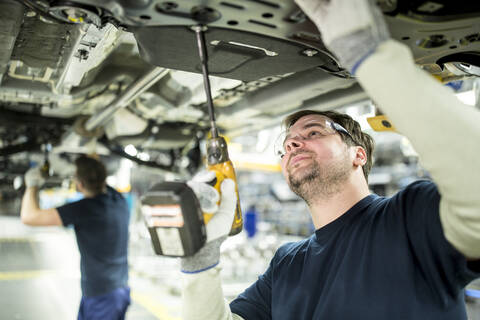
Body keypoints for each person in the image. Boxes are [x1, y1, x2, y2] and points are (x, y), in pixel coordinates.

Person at [180, 0, 480, 319]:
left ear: (358, 154)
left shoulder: (410, 218)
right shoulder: (286, 264)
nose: (294, 142)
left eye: (313, 132)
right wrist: (200, 261)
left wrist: (369, 54)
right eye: (287, 144)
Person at [21, 155, 131, 320]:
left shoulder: (84, 209)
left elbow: (29, 217)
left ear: (80, 184)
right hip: (115, 290)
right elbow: (98, 181)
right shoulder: (118, 200)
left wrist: (32, 185)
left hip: (102, 296)